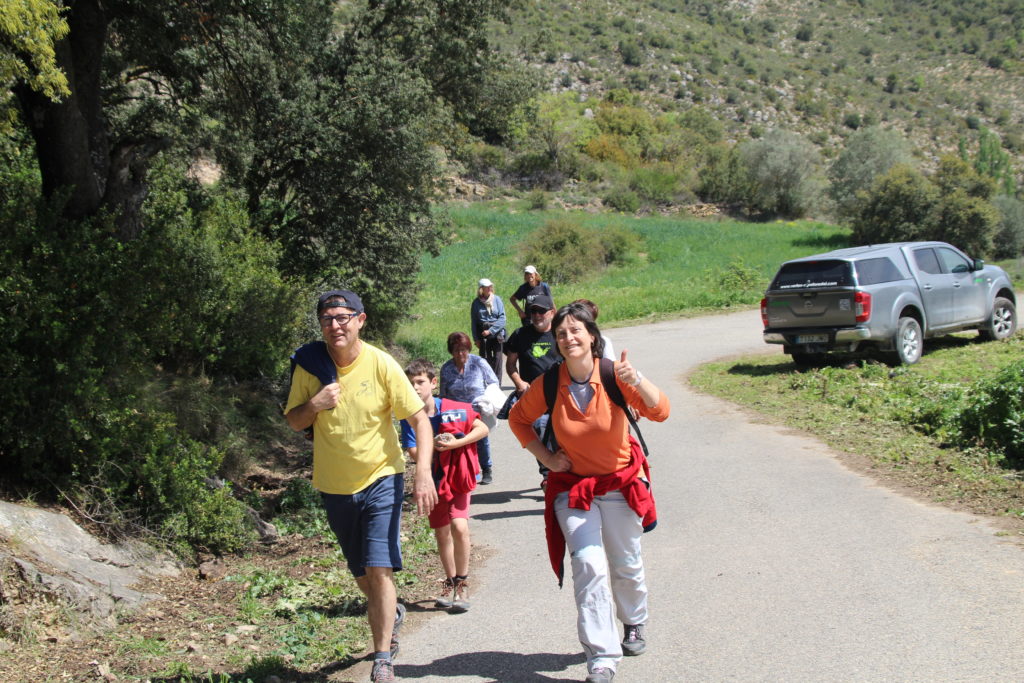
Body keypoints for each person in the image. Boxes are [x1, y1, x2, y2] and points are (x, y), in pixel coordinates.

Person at [508, 302, 670, 683]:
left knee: (625, 561)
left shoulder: (613, 375)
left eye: (575, 331)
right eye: (561, 334)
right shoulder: (550, 383)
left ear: (592, 336)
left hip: (619, 484)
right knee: (588, 565)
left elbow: (661, 411)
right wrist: (547, 458)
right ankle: (601, 657)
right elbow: (518, 419)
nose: (568, 338)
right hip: (574, 489)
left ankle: (633, 621)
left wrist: (637, 378)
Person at [285, 290, 437, 683]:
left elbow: (420, 419)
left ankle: (383, 657)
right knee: (360, 571)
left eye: (342, 317)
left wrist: (422, 472)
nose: (335, 325)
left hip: (381, 478)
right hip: (335, 485)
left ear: (360, 320)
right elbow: (295, 421)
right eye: (327, 319)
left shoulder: (381, 364)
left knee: (378, 566)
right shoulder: (310, 366)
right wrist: (315, 403)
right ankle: (390, 611)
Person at [400, 358, 488, 614]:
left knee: (459, 525)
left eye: (420, 382)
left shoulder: (452, 409)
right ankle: (450, 581)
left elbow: (481, 429)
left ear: (433, 383)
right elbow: (412, 449)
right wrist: (433, 454)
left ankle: (462, 581)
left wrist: (455, 444)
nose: (415, 387)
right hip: (433, 479)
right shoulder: (408, 417)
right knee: (441, 532)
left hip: (457, 476)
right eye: (410, 383)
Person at [504, 294, 561, 487]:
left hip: (560, 394)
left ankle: (563, 473)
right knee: (540, 431)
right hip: (533, 396)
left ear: (551, 312)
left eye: (541, 311)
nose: (536, 315)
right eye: (533, 311)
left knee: (562, 434)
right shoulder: (520, 335)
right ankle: (548, 475)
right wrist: (519, 383)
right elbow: (510, 364)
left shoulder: (560, 334)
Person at [440, 332, 500, 485]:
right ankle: (466, 471)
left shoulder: (478, 362)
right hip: (457, 413)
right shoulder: (446, 368)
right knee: (460, 442)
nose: (460, 354)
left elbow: (493, 382)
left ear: (468, 349)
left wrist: (487, 399)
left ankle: (486, 468)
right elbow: (443, 395)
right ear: (451, 351)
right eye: (456, 350)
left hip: (477, 410)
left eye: (463, 350)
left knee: (481, 440)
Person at [470, 278, 507, 384]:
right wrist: (476, 339)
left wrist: (491, 331)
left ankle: (497, 385)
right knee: (485, 360)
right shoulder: (476, 303)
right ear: (481, 289)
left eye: (490, 286)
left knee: (498, 359)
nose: (490, 288)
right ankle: (487, 384)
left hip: (497, 333)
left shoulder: (497, 300)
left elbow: (502, 319)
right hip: (483, 334)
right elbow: (474, 322)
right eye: (487, 287)